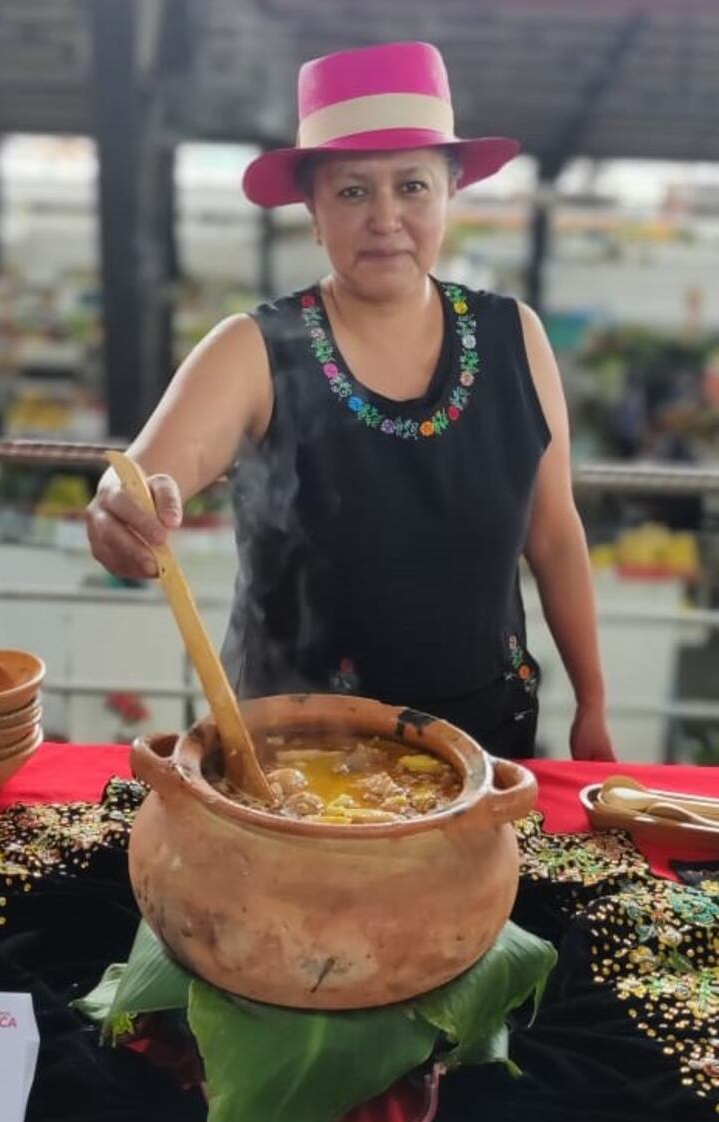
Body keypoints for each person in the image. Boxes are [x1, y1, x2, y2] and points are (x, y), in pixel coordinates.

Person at [87, 41, 615, 761]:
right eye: (352, 191)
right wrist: (120, 506)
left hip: (484, 746)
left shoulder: (514, 336)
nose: (385, 218)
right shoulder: (254, 348)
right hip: (293, 756)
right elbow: (143, 474)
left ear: (451, 189)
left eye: (413, 186)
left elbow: (553, 535)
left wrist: (593, 703)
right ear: (312, 207)